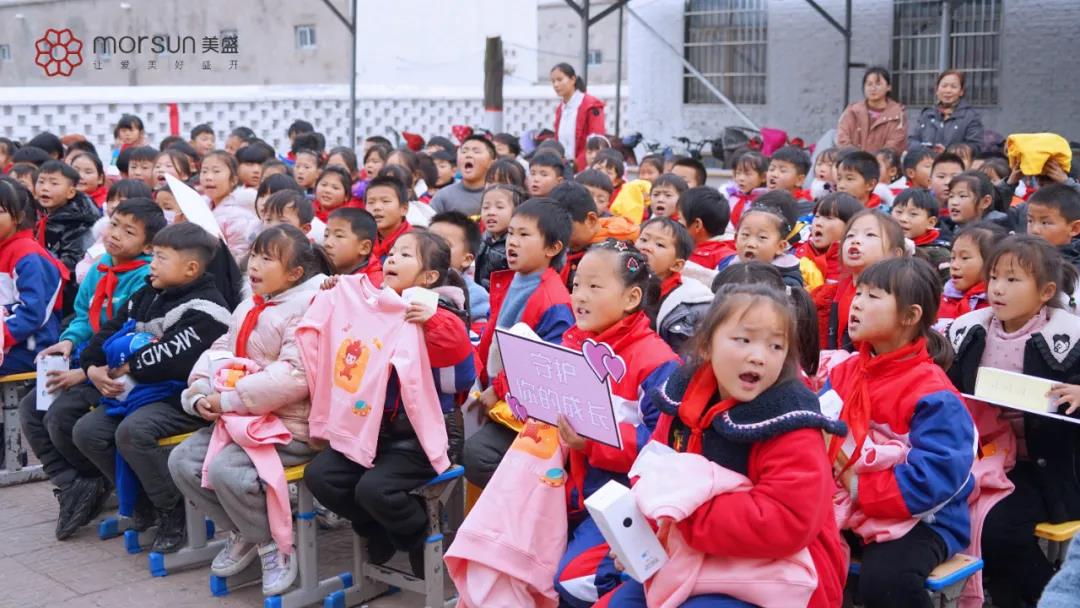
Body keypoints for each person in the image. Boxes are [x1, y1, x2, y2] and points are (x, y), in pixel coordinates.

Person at [600, 282, 847, 608]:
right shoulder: (682, 396)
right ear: (706, 345)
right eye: (743, 340)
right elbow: (651, 470)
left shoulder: (791, 421)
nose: (759, 357)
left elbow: (788, 520)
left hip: (779, 573)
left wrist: (679, 514)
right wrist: (642, 533)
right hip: (693, 554)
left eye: (776, 346)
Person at [301, 229, 475, 577]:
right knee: (321, 477)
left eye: (406, 255)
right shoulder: (374, 304)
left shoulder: (439, 313)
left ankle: (416, 532)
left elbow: (460, 378)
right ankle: (376, 527)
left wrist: (433, 322)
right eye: (392, 252)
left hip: (422, 438)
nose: (392, 258)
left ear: (429, 277)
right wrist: (335, 292)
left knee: (374, 490)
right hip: (370, 429)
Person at [167, 225, 329, 595]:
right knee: (182, 462)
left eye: (267, 259)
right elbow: (221, 349)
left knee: (228, 471)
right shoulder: (250, 304)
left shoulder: (309, 309)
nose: (254, 264)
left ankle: (273, 546)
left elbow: (296, 375)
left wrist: (228, 400)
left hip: (289, 427)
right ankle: (245, 531)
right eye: (254, 254)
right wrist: (200, 390)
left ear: (295, 274)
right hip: (242, 420)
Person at [70, 223, 232, 552]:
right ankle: (144, 500)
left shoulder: (208, 309)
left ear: (191, 268)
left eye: (161, 258)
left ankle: (173, 510)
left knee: (133, 432)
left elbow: (170, 359)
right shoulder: (147, 293)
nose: (152, 264)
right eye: (153, 255)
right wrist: (92, 367)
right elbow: (108, 333)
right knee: (87, 432)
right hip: (139, 393)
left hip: (183, 397)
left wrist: (124, 366)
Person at [826, 257, 975, 608]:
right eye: (858, 292)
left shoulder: (934, 393)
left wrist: (856, 484)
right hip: (849, 504)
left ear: (909, 316)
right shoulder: (845, 371)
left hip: (926, 519)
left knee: (888, 581)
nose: (857, 303)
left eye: (873, 296)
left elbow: (936, 477)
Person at [946, 236, 1080, 607]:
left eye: (1012, 279)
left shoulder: (1071, 339)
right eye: (993, 277)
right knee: (956, 518)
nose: (998, 289)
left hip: (1048, 470)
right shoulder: (969, 332)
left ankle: (1051, 596)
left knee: (998, 529)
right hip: (983, 457)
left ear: (1046, 292)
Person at [21, 199, 164, 538]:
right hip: (88, 359)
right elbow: (85, 315)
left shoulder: (146, 278)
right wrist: (69, 342)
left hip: (119, 371)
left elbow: (130, 337)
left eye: (128, 232)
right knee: (32, 407)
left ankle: (104, 482)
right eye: (114, 224)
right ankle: (74, 483)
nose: (115, 234)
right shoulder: (100, 267)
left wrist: (84, 372)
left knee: (61, 416)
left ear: (148, 246)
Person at [553, 242, 679, 607]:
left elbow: (661, 449)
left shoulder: (657, 362)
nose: (580, 296)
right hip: (573, 489)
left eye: (594, 286)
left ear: (631, 297)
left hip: (624, 500)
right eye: (576, 284)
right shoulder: (574, 341)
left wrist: (591, 442)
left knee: (573, 580)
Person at [464, 200, 575, 488]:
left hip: (523, 408)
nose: (512, 241)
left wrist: (499, 388)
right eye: (511, 233)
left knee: (478, 456)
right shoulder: (513, 280)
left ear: (553, 248)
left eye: (524, 235)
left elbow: (547, 364)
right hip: (499, 395)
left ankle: (529, 505)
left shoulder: (553, 300)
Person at [0, 178, 66, 376]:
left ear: (19, 216)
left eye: (0, 211)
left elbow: (31, 314)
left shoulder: (28, 255)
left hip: (27, 348)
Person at [817, 210, 907, 350]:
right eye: (850, 235)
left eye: (870, 235)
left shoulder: (898, 297)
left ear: (895, 254)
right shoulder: (831, 294)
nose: (855, 240)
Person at [635, 216, 712, 354]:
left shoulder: (685, 306)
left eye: (659, 245)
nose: (646, 247)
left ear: (676, 265)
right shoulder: (621, 279)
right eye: (644, 239)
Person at [34, 160, 97, 315]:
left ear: (71, 192)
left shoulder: (79, 221)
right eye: (41, 182)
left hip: (67, 292)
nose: (45, 187)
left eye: (54, 183)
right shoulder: (38, 212)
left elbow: (72, 262)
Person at [551, 183, 638, 292]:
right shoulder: (576, 247)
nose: (559, 234)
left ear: (591, 220)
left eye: (565, 228)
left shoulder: (611, 254)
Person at [724, 192, 809, 287]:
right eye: (745, 235)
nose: (751, 244)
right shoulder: (727, 269)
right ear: (735, 239)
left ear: (781, 246)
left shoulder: (787, 283)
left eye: (762, 237)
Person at [429, 211, 490, 323]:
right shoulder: (412, 279)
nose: (433, 248)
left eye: (444, 244)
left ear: (466, 259)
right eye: (428, 242)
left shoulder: (475, 295)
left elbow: (478, 331)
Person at [936, 222, 1002, 325]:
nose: (954, 265)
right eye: (953, 257)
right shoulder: (942, 299)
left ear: (990, 262)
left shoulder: (995, 304)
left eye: (964, 258)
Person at [200, 150, 260, 261]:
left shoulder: (239, 214)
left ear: (233, 180)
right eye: (204, 171)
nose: (208, 177)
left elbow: (239, 257)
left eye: (216, 171)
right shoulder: (200, 206)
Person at [836, 67, 908, 154]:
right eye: (869, 84)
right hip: (852, 160)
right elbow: (842, 139)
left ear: (888, 87)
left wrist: (876, 159)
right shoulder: (852, 111)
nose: (873, 88)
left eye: (878, 84)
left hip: (883, 162)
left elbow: (894, 145)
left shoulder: (897, 114)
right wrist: (857, 158)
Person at [909, 70, 984, 153]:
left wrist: (948, 152)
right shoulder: (927, 114)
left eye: (953, 87)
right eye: (944, 86)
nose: (948, 90)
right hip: (927, 159)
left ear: (961, 92)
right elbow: (912, 141)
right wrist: (926, 150)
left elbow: (975, 146)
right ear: (937, 90)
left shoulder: (970, 116)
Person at [796, 192, 863, 285]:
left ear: (850, 227)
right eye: (817, 216)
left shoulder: (853, 266)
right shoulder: (799, 254)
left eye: (829, 218)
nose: (818, 223)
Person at [551, 63, 605, 172]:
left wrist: (575, 167)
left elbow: (596, 143)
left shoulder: (591, 105)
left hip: (585, 170)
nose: (556, 85)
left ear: (573, 79)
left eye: (560, 80)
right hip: (564, 169)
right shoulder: (560, 109)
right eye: (553, 81)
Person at [891, 188, 951, 281]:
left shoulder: (939, 255)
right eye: (899, 212)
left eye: (913, 214)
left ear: (930, 222)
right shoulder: (884, 245)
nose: (903, 219)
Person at [430, 135, 496, 216]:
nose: (468, 155)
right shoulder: (443, 196)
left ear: (492, 163)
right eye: (464, 152)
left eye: (476, 152)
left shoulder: (500, 194)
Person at [474, 184, 523, 289]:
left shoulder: (518, 245)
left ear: (517, 211)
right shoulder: (481, 239)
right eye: (486, 207)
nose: (491, 212)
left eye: (500, 207)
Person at [1025, 184, 1080, 271]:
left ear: (1074, 228)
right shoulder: (1019, 257)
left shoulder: (1073, 270)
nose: (1035, 230)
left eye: (1045, 223)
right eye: (1030, 221)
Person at [680, 186, 734, 273]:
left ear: (697, 225)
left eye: (680, 219)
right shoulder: (680, 248)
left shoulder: (726, 260)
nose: (676, 223)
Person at [323, 207, 382, 286]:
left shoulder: (374, 285)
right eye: (326, 235)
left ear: (364, 247)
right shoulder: (321, 274)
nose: (327, 243)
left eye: (339, 236)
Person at [366, 175, 411, 263]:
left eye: (385, 201)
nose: (376, 207)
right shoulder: (362, 239)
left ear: (404, 209)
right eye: (371, 202)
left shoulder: (415, 243)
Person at [724, 150, 768, 231]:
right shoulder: (728, 194)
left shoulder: (766, 200)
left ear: (763, 177)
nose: (741, 178)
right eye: (738, 173)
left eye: (747, 174)